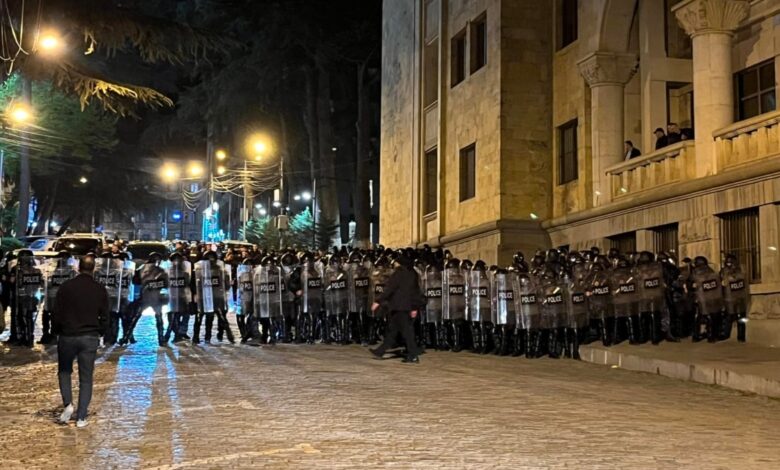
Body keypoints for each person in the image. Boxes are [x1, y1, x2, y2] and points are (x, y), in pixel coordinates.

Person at [53, 254, 108, 428]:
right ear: (94, 269)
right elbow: (106, 316)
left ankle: (68, 404)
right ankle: (82, 416)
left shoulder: (66, 287)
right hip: (89, 336)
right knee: (86, 377)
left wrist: (56, 331)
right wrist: (101, 332)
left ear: (78, 268)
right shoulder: (99, 289)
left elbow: (56, 313)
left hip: (67, 335)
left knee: (64, 372)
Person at [369, 254, 425, 363]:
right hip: (407, 306)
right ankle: (380, 351)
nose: (394, 264)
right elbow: (415, 292)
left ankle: (413, 355)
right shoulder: (412, 274)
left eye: (396, 262)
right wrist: (414, 307)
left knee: (406, 332)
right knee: (394, 331)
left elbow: (389, 289)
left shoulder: (398, 274)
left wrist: (377, 301)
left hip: (398, 306)